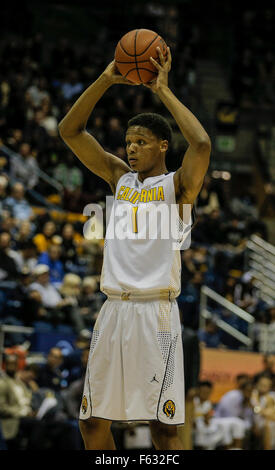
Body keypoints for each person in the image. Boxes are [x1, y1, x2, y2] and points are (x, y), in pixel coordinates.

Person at [59, 46, 211, 450]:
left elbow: (201, 145)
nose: (131, 148)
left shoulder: (177, 187)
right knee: (91, 424)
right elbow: (70, 131)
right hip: (113, 311)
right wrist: (107, 79)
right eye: (128, 142)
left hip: (156, 312)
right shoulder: (119, 178)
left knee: (163, 430)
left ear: (162, 146)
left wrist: (163, 90)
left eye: (141, 142)